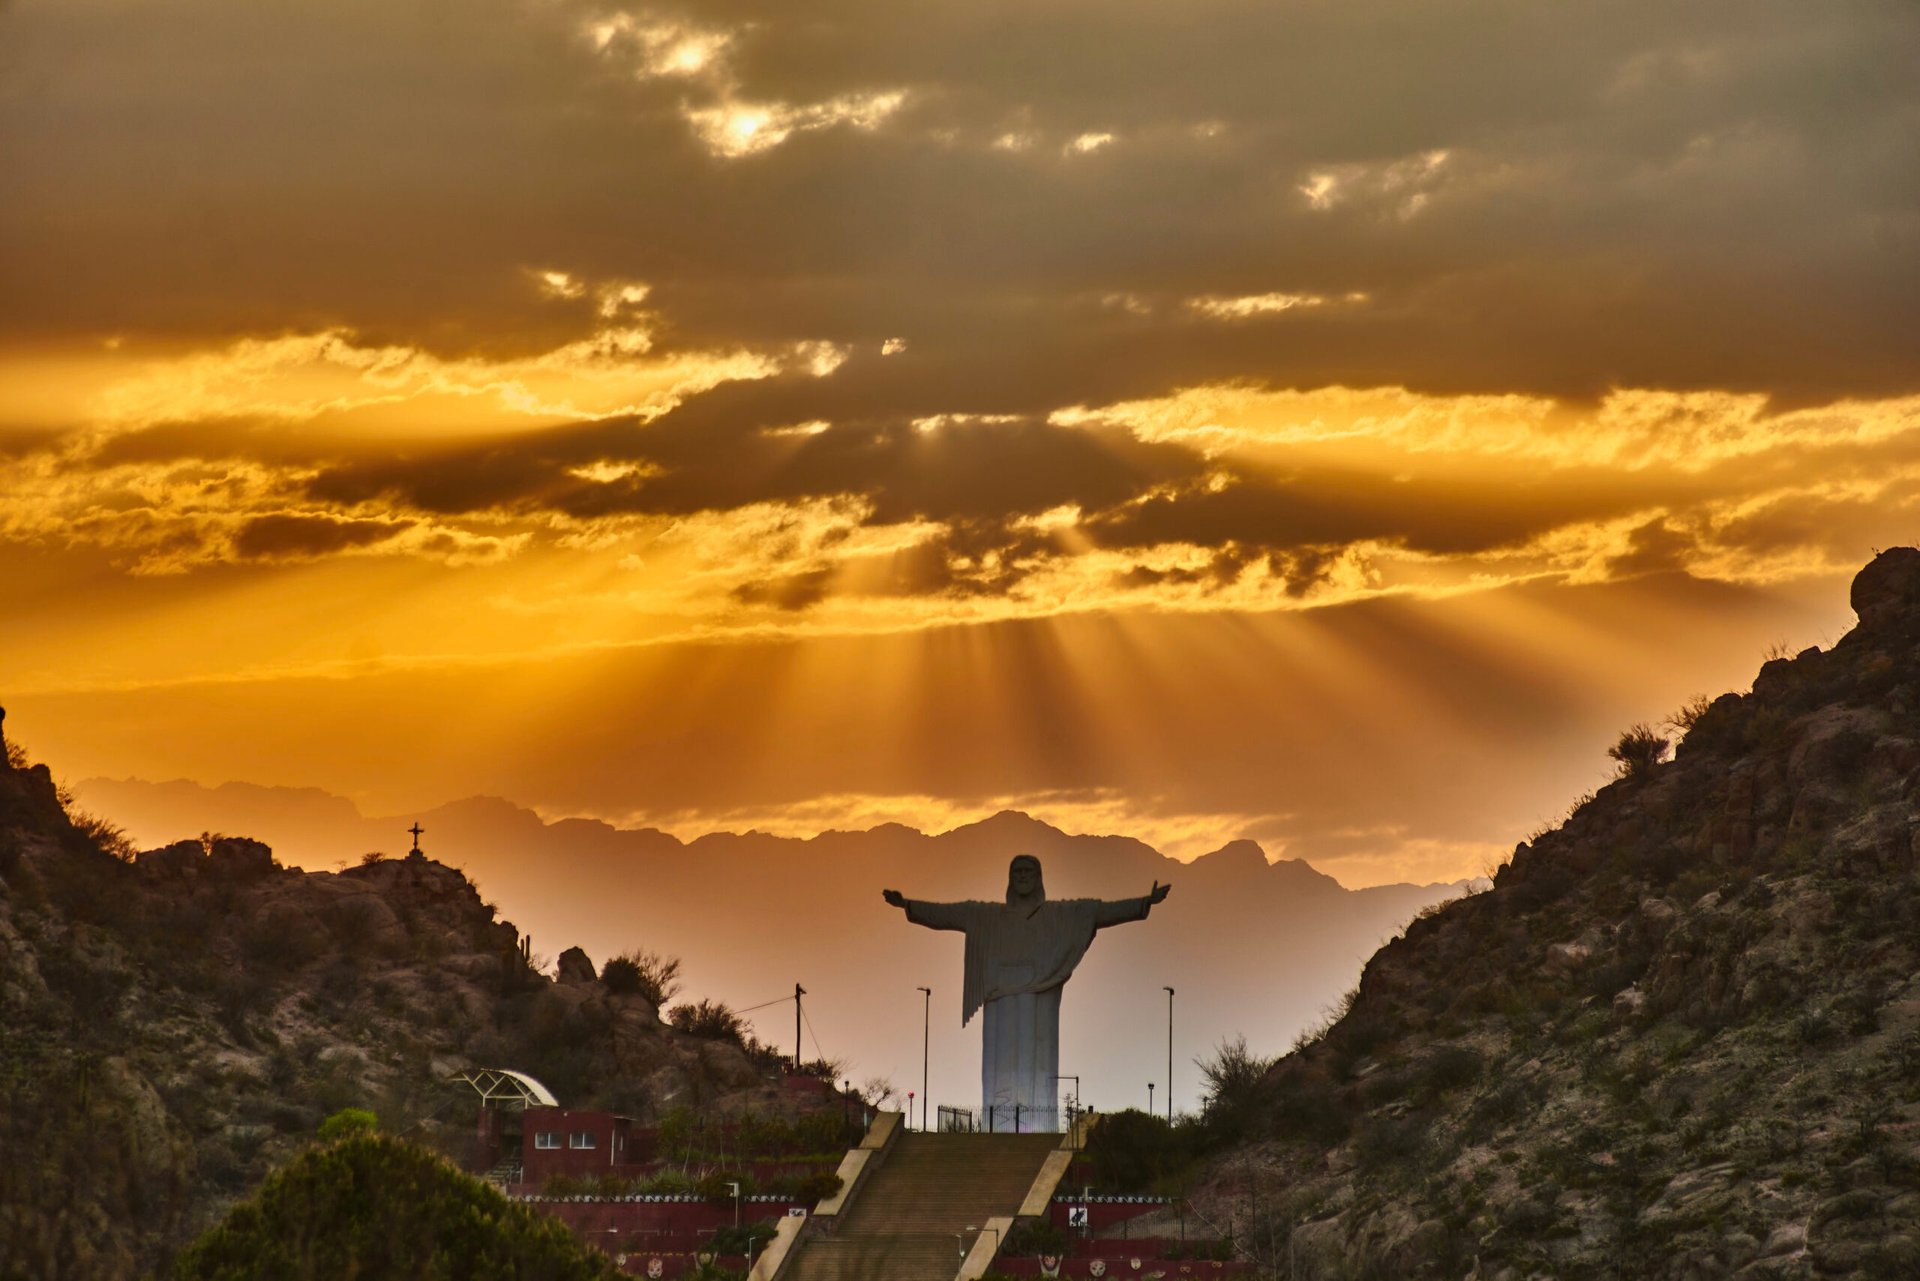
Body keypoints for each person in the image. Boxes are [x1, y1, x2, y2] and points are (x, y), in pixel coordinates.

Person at [883, 855, 1169, 1130]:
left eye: (1027, 872)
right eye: (1017, 872)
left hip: (1039, 987)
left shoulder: (1059, 915)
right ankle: (1001, 1126)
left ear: (1038, 877)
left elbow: (1099, 912)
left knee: (1038, 1058)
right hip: (1000, 993)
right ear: (1010, 878)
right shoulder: (987, 916)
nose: (1022, 877)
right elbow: (945, 914)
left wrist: (1143, 903)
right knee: (999, 1062)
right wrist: (908, 905)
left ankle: (1037, 1126)